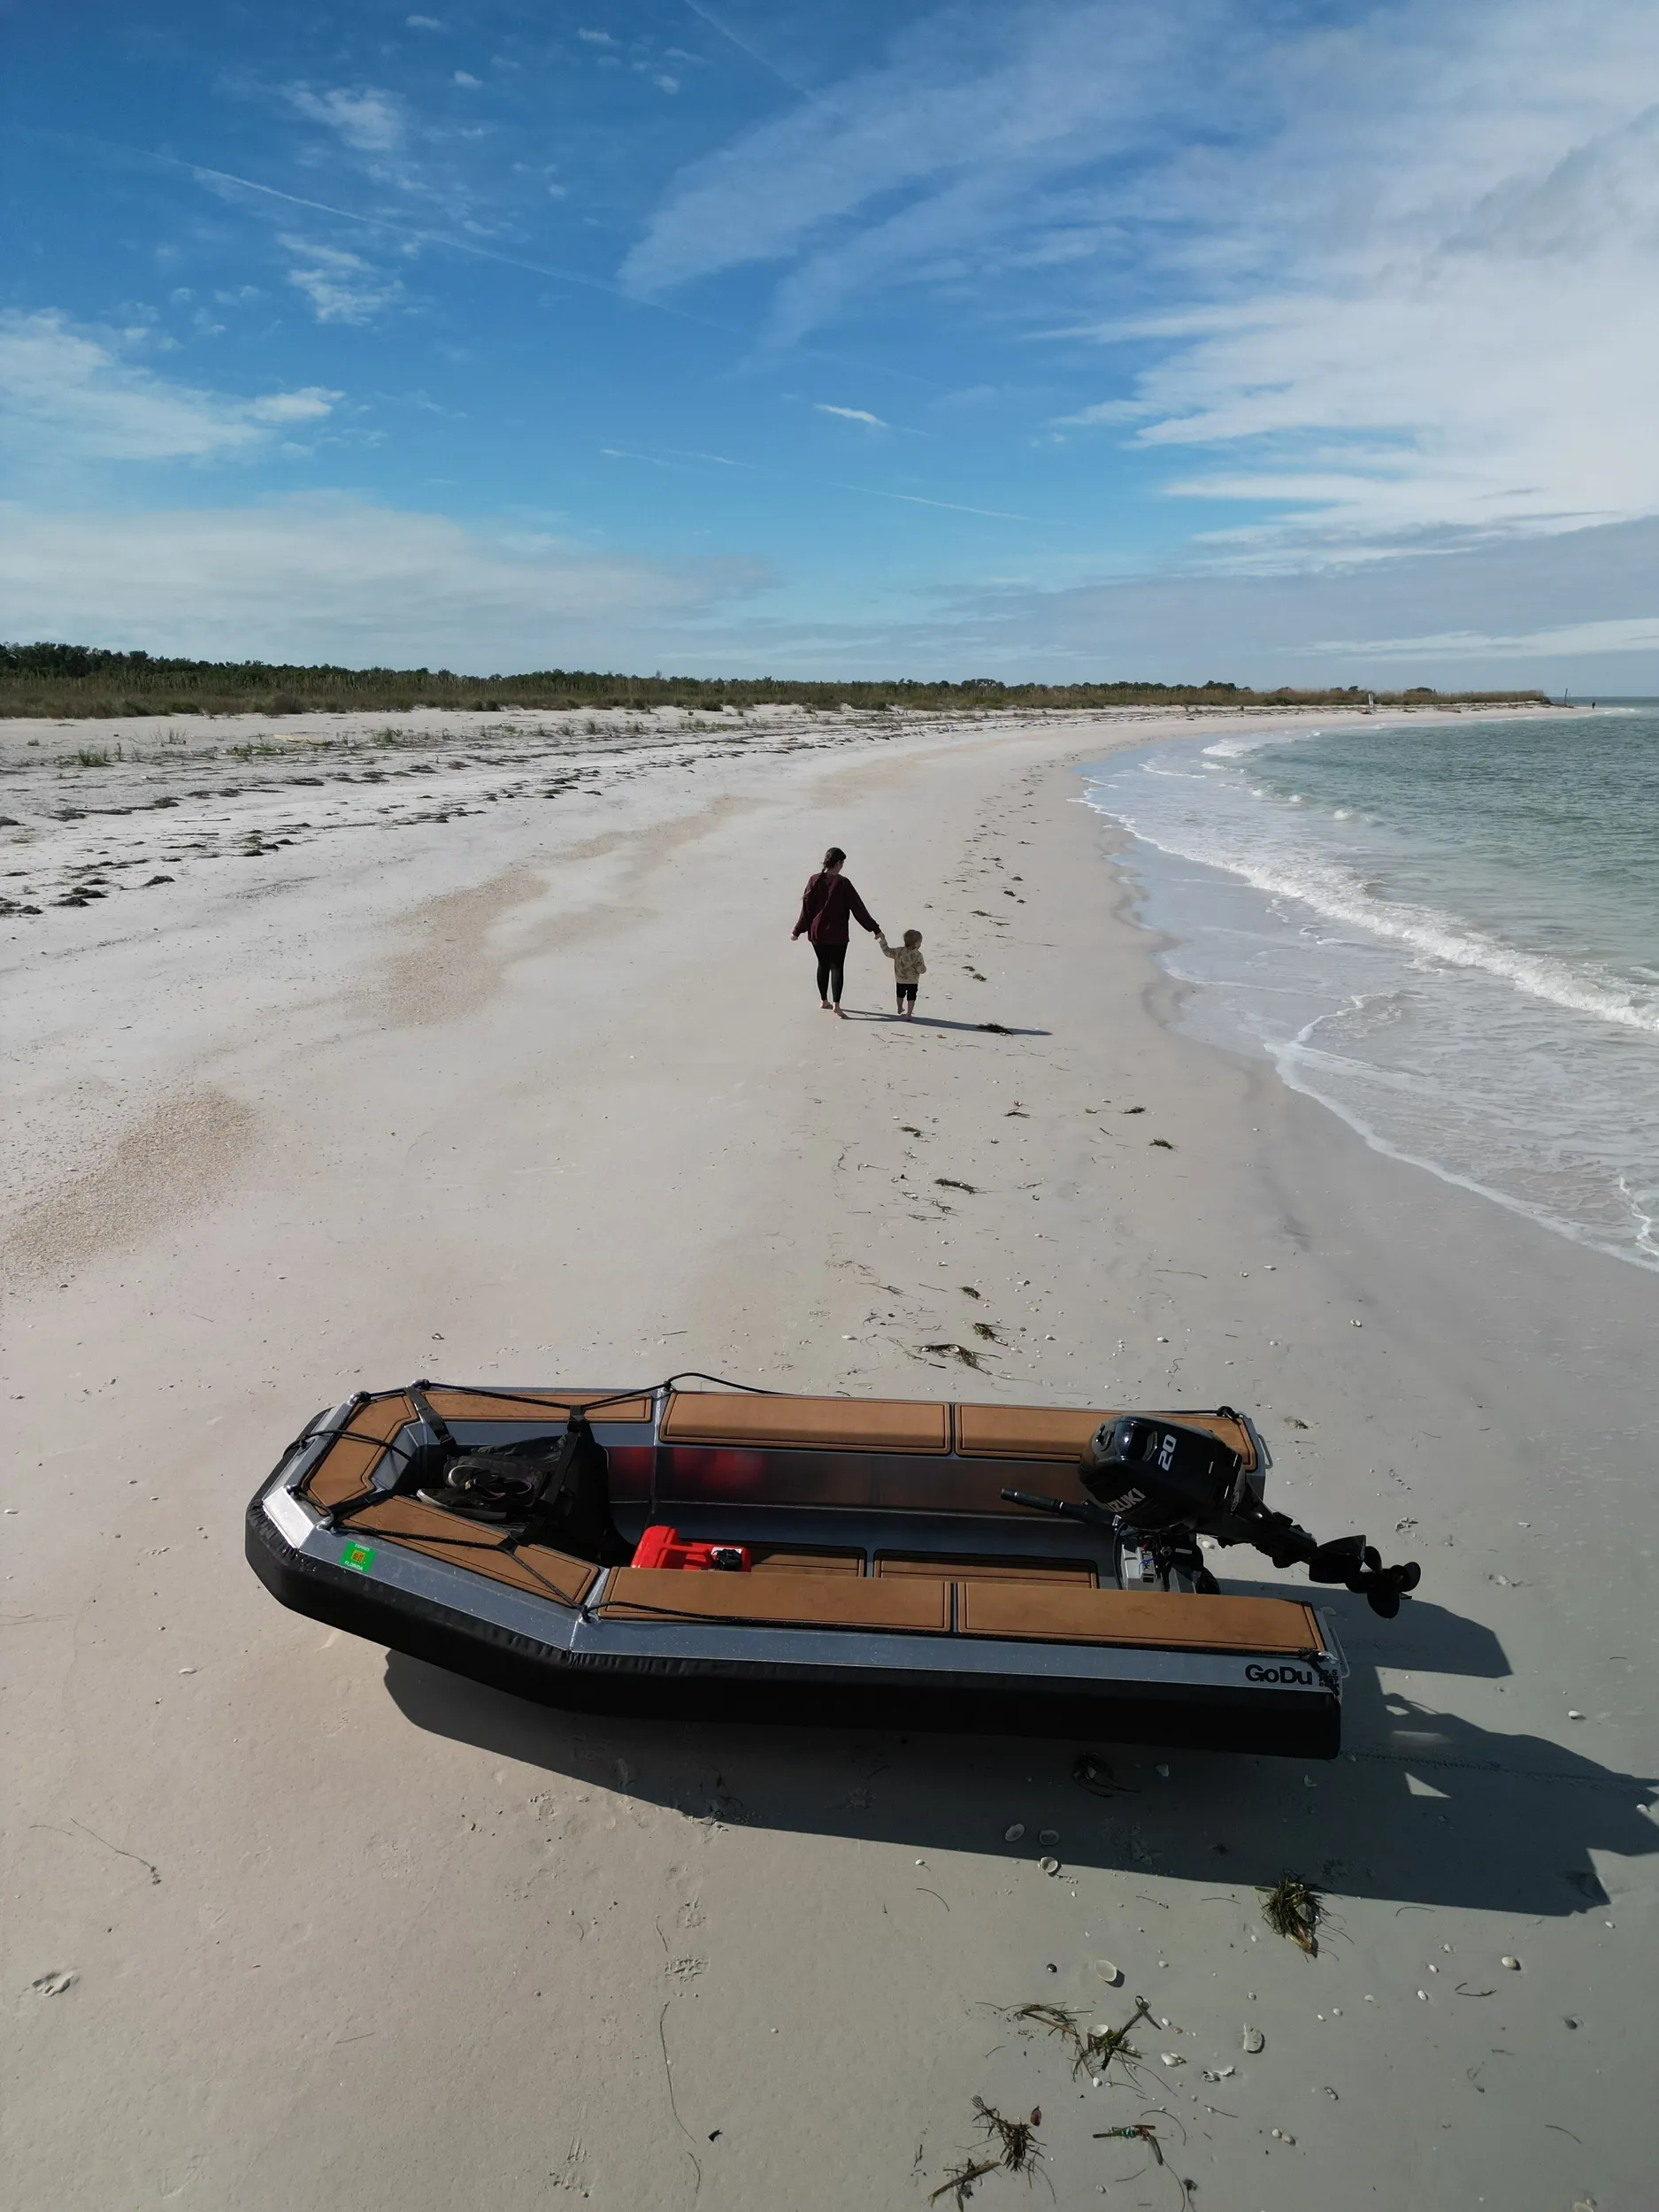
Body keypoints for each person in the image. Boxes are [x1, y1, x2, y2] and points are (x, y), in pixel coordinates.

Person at [791, 845, 881, 1015]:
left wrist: (797, 931)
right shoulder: (843, 883)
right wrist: (875, 929)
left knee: (822, 965)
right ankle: (837, 1005)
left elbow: (806, 910)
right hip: (838, 934)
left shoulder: (814, 879)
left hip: (817, 933)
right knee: (837, 967)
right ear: (838, 863)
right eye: (842, 863)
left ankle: (823, 1000)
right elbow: (858, 909)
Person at [879, 928, 926, 1018]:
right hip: (913, 981)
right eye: (920, 942)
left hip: (900, 980)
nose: (921, 944)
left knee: (900, 995)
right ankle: (909, 1014)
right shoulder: (918, 955)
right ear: (916, 944)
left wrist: (883, 941)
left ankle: (900, 1008)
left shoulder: (898, 951)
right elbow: (921, 969)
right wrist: (923, 970)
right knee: (911, 997)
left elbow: (887, 952)